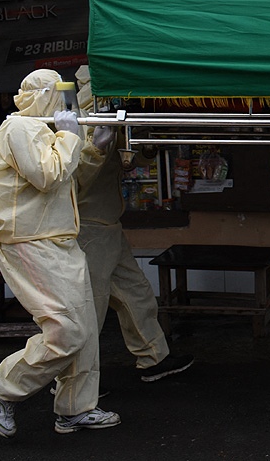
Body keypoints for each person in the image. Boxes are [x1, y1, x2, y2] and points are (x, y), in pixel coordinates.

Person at [0, 69, 120, 437]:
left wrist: (94, 148)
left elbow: (73, 180)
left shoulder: (46, 132)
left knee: (85, 331)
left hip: (60, 242)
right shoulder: (19, 129)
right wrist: (71, 137)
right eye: (61, 93)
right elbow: (47, 174)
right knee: (66, 331)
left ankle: (76, 408)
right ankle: (1, 388)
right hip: (29, 242)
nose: (67, 101)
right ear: (44, 94)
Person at [65, 66, 194, 385]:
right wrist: (96, 147)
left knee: (136, 293)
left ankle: (154, 358)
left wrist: (146, 148)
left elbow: (124, 161)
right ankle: (76, 386)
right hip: (86, 229)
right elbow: (73, 178)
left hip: (108, 226)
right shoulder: (76, 121)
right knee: (88, 310)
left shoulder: (109, 113)